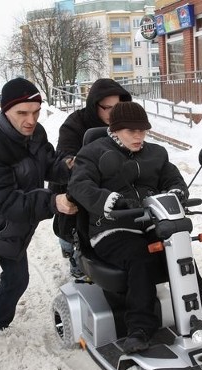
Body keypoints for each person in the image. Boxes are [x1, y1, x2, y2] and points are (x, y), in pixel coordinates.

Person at [68, 101, 202, 354]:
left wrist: (178, 190)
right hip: (111, 228)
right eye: (131, 131)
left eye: (142, 130)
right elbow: (79, 186)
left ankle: (201, 310)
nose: (138, 137)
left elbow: (172, 176)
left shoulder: (156, 153)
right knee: (140, 256)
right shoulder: (93, 153)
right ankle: (140, 327)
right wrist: (109, 200)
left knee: (179, 246)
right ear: (115, 130)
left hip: (151, 222)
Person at [0, 77, 78, 357]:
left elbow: (48, 164)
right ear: (5, 110)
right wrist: (53, 202)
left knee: (18, 280)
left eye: (35, 111)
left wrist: (70, 167)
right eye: (22, 112)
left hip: (12, 228)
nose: (31, 120)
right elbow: (3, 202)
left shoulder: (35, 133)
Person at [51, 78, 132, 278]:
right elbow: (66, 158)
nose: (114, 114)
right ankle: (72, 252)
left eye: (119, 107)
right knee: (73, 218)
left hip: (112, 184)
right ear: (94, 105)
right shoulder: (74, 125)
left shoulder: (123, 124)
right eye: (108, 108)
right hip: (75, 184)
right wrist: (81, 165)